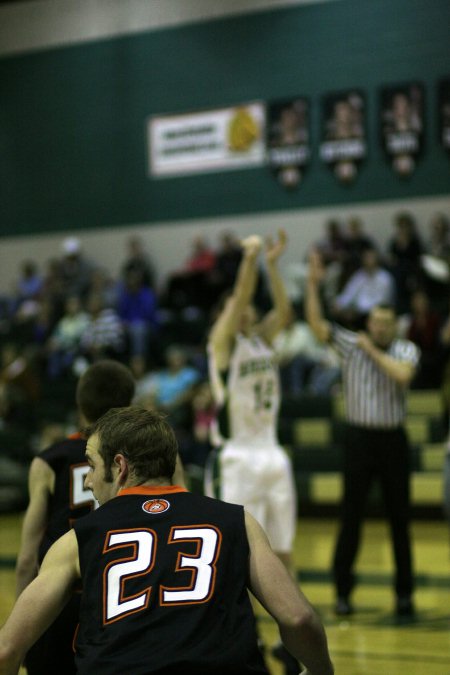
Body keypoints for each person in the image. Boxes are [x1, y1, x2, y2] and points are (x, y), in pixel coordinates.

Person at [0, 406, 334, 675]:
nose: (87, 481)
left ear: (120, 467)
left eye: (90, 465)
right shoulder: (236, 520)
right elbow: (299, 619)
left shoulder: (78, 539)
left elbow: (6, 650)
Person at [305, 249, 420, 618]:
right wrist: (312, 284)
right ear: (368, 322)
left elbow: (402, 376)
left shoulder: (405, 349)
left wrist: (371, 349)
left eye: (386, 322)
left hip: (392, 440)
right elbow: (317, 325)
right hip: (358, 438)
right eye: (376, 322)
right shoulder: (351, 345)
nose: (380, 327)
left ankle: (404, 594)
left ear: (395, 325)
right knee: (350, 516)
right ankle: (342, 592)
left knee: (399, 518)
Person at [205, 231, 299, 673]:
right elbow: (243, 294)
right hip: (237, 458)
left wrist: (274, 267)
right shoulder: (222, 344)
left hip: (272, 454)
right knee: (236, 553)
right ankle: (243, 636)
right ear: (229, 312)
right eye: (239, 306)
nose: (248, 309)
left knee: (282, 552)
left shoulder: (261, 339)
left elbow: (284, 311)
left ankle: (289, 638)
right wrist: (250, 259)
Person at [14, 360, 136, 675]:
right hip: (124, 595)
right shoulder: (148, 455)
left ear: (79, 402)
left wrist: (22, 622)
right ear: (128, 404)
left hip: (61, 596)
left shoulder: (49, 460)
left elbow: (28, 557)